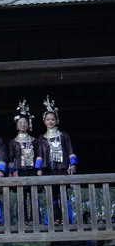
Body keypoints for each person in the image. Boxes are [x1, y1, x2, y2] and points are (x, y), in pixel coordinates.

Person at [35, 96, 77, 225]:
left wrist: (73, 164)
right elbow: (40, 154)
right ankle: (54, 218)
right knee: (51, 194)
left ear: (57, 120)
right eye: (48, 119)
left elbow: (70, 150)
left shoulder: (64, 135)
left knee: (63, 193)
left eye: (53, 119)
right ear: (44, 121)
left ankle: (66, 218)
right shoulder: (42, 138)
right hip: (49, 169)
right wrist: (39, 168)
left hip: (63, 168)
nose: (50, 121)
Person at [9, 99, 39, 225]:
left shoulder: (34, 140)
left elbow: (38, 156)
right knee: (21, 196)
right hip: (19, 171)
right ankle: (23, 219)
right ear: (16, 125)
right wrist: (11, 173)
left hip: (32, 170)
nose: (22, 124)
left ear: (29, 124)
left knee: (33, 195)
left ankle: (33, 218)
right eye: (20, 123)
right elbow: (11, 159)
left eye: (25, 122)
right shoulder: (13, 142)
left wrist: (39, 169)